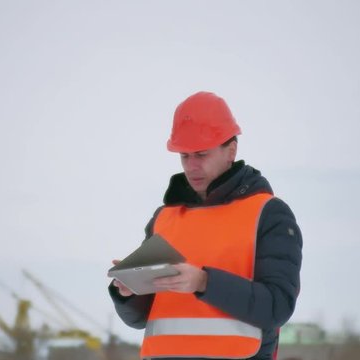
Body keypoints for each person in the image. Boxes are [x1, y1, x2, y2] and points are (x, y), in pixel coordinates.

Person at [108, 91, 303, 360]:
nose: (192, 166)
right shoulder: (165, 218)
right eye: (184, 156)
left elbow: (277, 306)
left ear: (230, 151)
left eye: (201, 154)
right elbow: (141, 319)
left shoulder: (268, 214)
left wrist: (203, 282)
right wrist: (130, 293)